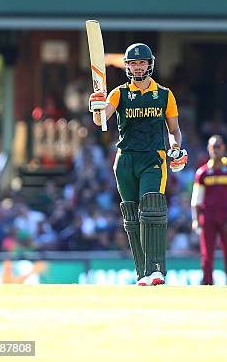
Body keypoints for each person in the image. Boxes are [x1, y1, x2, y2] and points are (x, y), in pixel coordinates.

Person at [89, 43, 188, 286]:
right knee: (132, 216)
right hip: (125, 159)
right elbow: (101, 119)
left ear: (150, 64)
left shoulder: (164, 94)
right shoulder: (119, 93)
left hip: (153, 157)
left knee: (151, 207)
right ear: (127, 67)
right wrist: (95, 105)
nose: (137, 67)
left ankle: (156, 269)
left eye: (141, 62)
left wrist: (175, 148)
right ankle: (142, 272)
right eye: (133, 63)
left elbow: (174, 130)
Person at [191, 135, 227, 285]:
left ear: (223, 148)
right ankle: (207, 284)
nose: (216, 150)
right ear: (209, 149)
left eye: (218, 147)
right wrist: (195, 219)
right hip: (208, 217)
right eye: (213, 147)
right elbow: (196, 199)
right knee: (207, 254)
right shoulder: (202, 173)